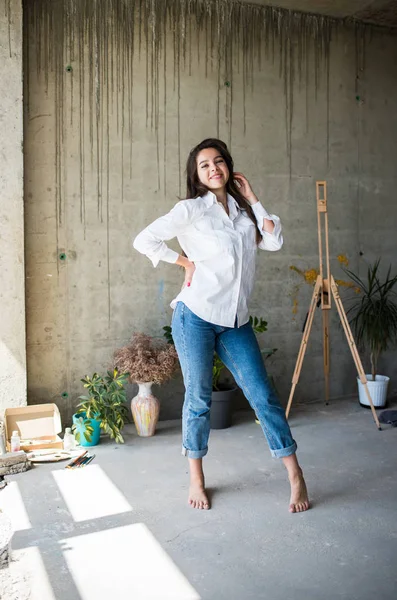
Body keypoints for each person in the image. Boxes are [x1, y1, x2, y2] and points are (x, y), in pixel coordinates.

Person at [133, 138, 310, 513]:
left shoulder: (245, 214)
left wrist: (253, 197)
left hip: (235, 322)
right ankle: (196, 478)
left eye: (218, 162)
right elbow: (144, 239)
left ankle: (295, 475)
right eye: (204, 165)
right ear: (196, 174)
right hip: (194, 317)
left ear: (229, 166)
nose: (213, 168)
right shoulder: (192, 210)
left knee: (263, 396)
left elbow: (275, 241)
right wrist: (183, 262)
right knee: (198, 400)